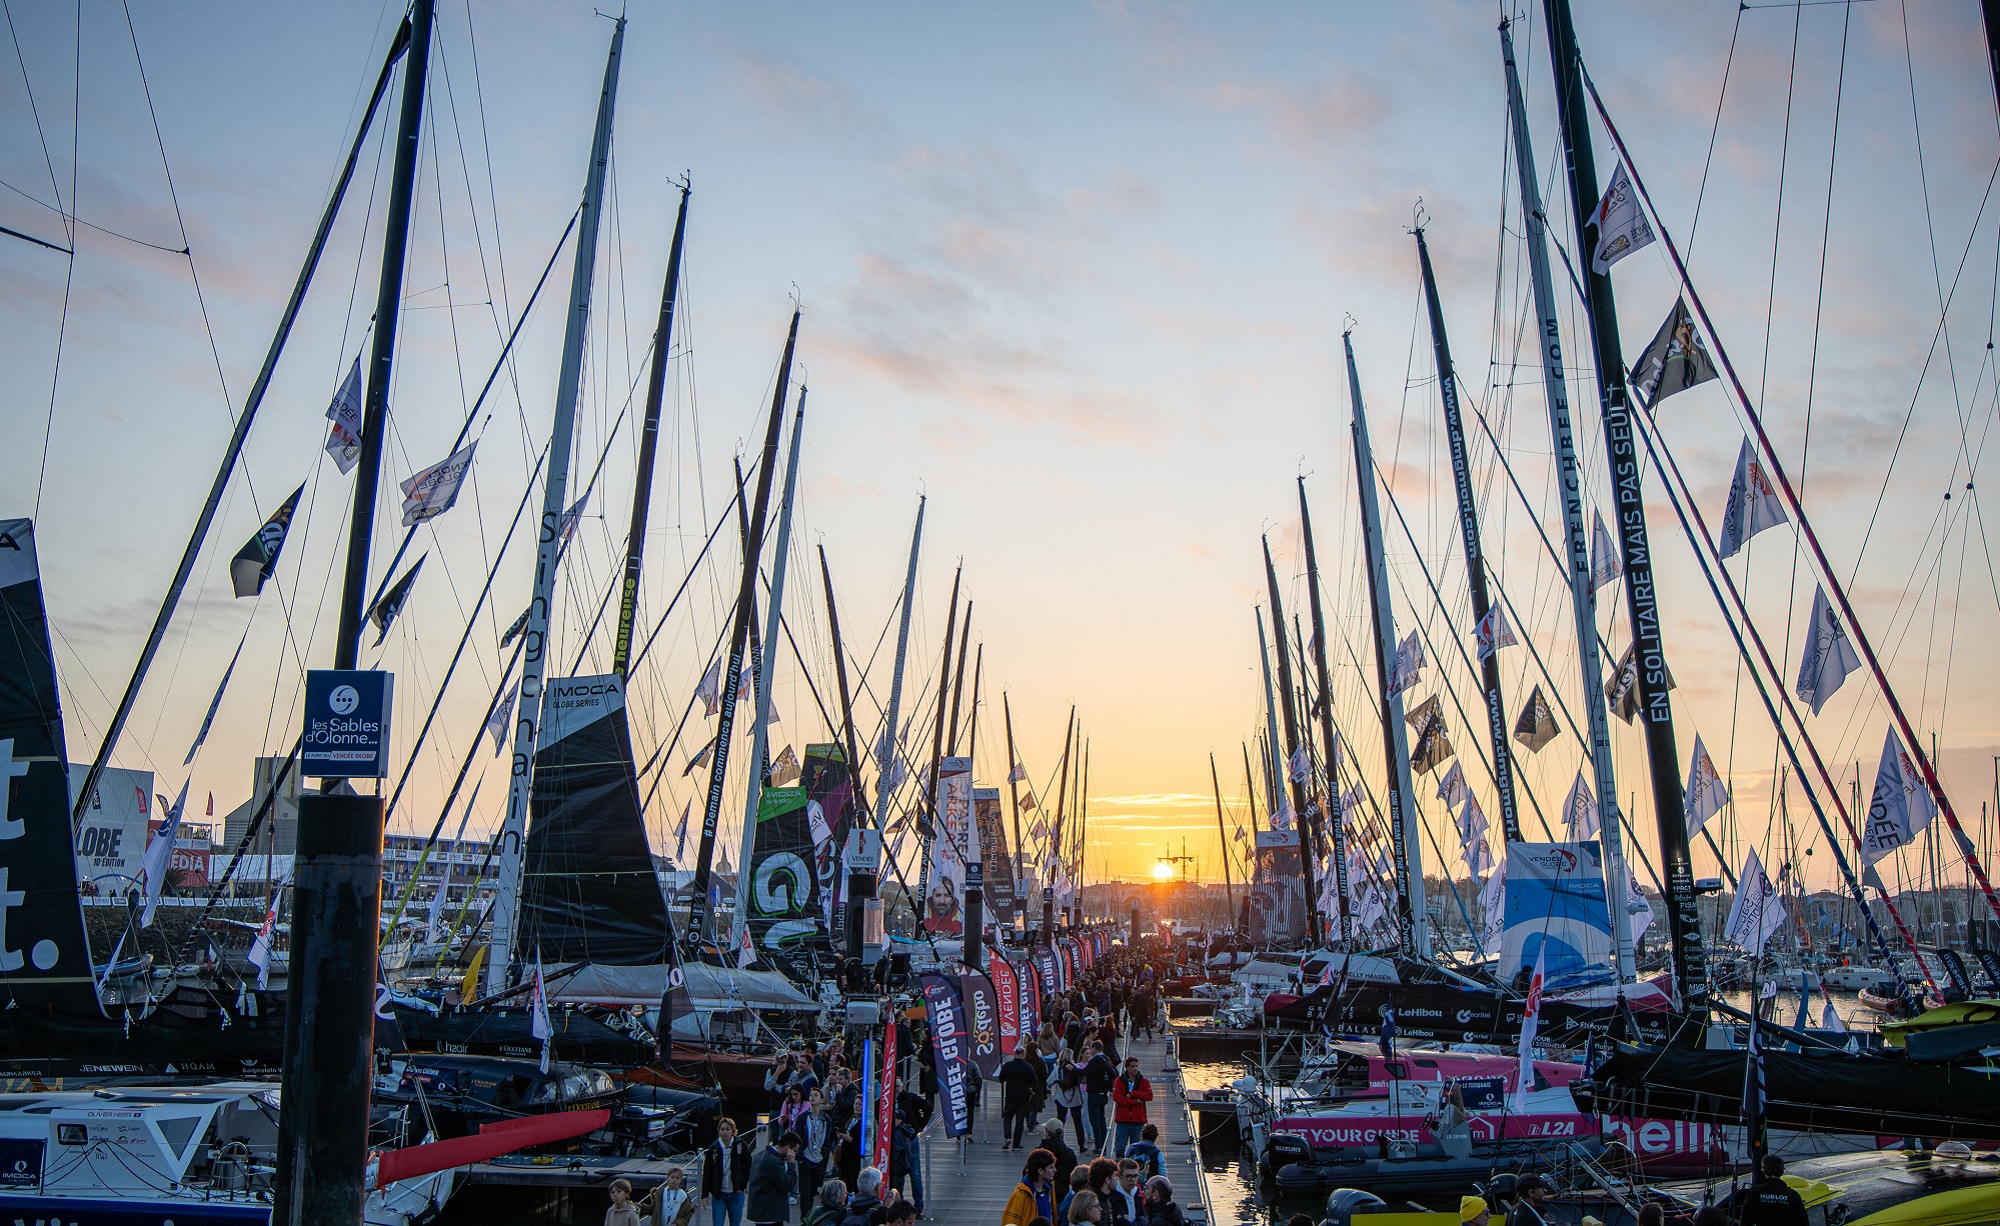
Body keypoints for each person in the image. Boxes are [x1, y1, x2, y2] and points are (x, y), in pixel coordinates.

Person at [702, 1116, 755, 1226]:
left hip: (736, 1193)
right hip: (719, 1194)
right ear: (719, 1131)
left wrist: (742, 1186)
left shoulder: (740, 1145)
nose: (725, 1132)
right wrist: (705, 1194)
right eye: (722, 1129)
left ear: (733, 1131)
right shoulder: (714, 1149)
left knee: (735, 1223)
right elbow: (707, 1172)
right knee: (717, 1223)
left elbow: (749, 1166)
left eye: (728, 1129)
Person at [1729, 1154, 1809, 1226]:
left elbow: (1745, 1222)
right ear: (1782, 1171)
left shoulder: (1754, 1193)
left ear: (1763, 1170)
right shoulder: (1793, 1196)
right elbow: (1803, 1223)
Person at [745, 1130, 800, 1226]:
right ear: (788, 1148)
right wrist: (791, 1164)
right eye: (794, 1151)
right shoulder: (773, 1162)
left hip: (761, 1213)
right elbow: (788, 1185)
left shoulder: (760, 1155)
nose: (794, 1155)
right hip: (769, 1214)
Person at [1000, 1044, 1043, 1150]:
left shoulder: (1008, 1065)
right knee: (1020, 1120)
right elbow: (1034, 1081)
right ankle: (1016, 1144)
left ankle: (1007, 1137)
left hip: (1010, 1095)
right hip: (1023, 1096)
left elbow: (1001, 1078)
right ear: (1023, 1055)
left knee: (1008, 1117)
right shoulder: (1028, 1067)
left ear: (1015, 1054)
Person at [1109, 1057, 1153, 1158]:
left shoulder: (1144, 1081)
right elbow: (1117, 1097)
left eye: (1136, 1066)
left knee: (1136, 1149)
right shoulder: (1119, 1081)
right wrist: (1134, 1102)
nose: (1135, 1069)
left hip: (1138, 1120)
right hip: (1122, 1120)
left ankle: (1135, 1168)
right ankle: (1120, 1166)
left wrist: (1133, 1093)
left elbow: (1149, 1096)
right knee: (1119, 1148)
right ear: (1127, 1067)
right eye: (1132, 1066)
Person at [1003, 1148, 1058, 1226]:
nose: (1055, 1170)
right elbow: (1010, 1221)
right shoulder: (1020, 1194)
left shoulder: (1049, 1190)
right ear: (1040, 1171)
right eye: (1051, 1167)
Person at [798, 1089, 832, 1203]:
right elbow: (797, 1135)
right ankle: (805, 1217)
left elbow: (828, 1139)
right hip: (806, 1156)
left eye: (816, 1095)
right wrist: (799, 1154)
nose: (812, 1097)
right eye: (811, 1095)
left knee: (814, 1189)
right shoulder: (803, 1118)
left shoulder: (826, 1120)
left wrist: (825, 1154)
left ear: (821, 1100)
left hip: (819, 1157)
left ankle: (810, 1216)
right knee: (805, 1191)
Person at [1082, 1042, 1115, 1154]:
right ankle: (1104, 1144)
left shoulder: (1095, 1061)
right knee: (1101, 1119)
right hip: (1103, 1094)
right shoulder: (1106, 1059)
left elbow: (1084, 1072)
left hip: (1094, 1094)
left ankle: (1099, 1146)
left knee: (1094, 1120)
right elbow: (1114, 1073)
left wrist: (1072, 1069)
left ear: (1094, 1048)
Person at [1040, 1118, 1079, 1192]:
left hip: (1041, 1195)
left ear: (1047, 1133)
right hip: (1062, 1195)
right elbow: (1075, 1178)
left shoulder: (1038, 1153)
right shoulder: (1069, 1153)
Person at [1108, 1160, 1145, 1226]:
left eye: (1135, 1176)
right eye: (1128, 1176)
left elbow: (1144, 1217)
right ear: (1119, 1176)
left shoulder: (1136, 1193)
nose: (1133, 1180)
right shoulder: (1113, 1196)